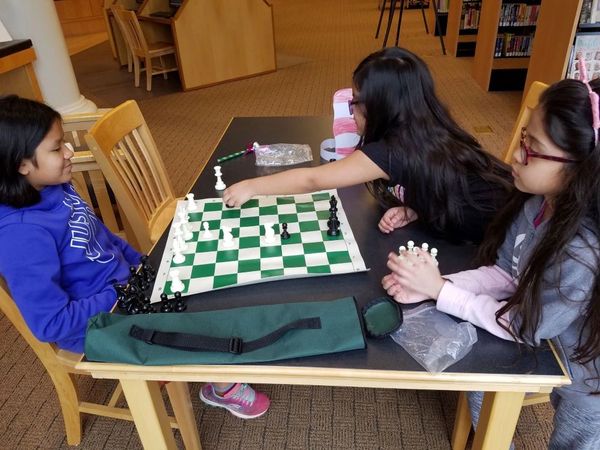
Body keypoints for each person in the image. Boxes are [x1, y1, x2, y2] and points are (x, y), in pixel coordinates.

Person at [0, 95, 269, 420]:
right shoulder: (20, 234)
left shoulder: (55, 186)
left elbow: (103, 238)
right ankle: (220, 386)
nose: (69, 153)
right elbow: (50, 324)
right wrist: (122, 291)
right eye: (57, 149)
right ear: (21, 164)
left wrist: (143, 264)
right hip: (97, 321)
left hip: (124, 286)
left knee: (206, 275)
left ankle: (194, 355)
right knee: (195, 317)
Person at [382, 76, 600, 449]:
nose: (515, 154)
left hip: (587, 374)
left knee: (576, 435)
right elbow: (504, 272)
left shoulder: (580, 252)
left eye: (532, 148)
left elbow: (523, 326)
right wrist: (432, 284)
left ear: (578, 167)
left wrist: (439, 289)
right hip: (544, 335)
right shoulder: (535, 205)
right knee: (482, 380)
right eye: (524, 138)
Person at [224, 47, 512, 243]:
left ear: (380, 107)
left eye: (356, 101)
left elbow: (313, 179)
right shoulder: (427, 128)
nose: (350, 109)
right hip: (494, 214)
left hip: (500, 237)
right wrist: (418, 209)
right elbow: (445, 186)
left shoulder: (390, 151)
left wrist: (252, 186)